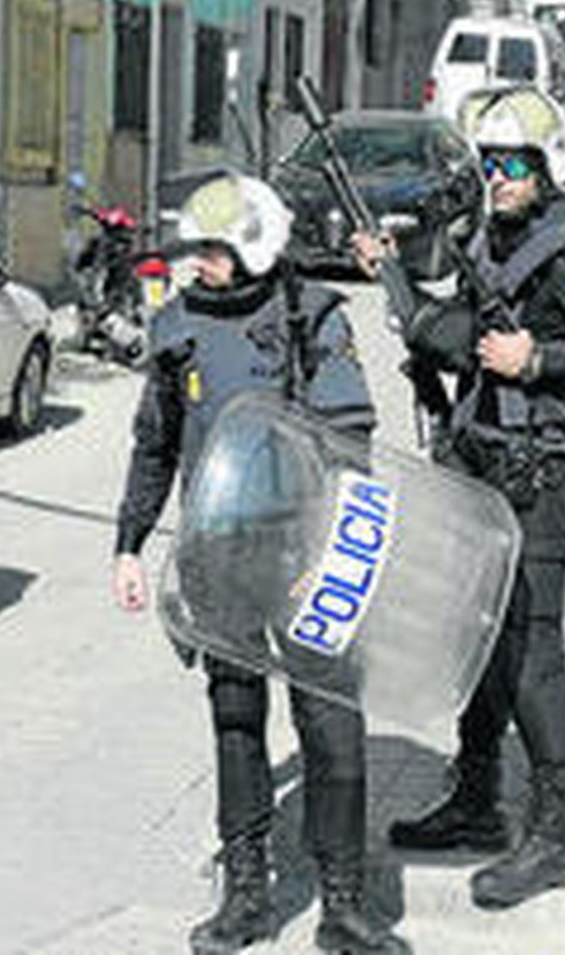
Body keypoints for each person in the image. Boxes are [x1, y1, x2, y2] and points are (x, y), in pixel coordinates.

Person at [355, 85, 565, 910]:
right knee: (480, 638)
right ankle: (477, 801)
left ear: (550, 164)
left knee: (531, 652)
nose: (501, 176)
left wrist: (540, 361)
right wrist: (389, 276)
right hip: (482, 462)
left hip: (538, 475)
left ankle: (554, 838)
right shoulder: (492, 241)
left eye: (517, 163)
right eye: (492, 163)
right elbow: (453, 334)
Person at [113, 172, 409, 955]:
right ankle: (247, 894)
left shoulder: (312, 316)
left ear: (255, 247)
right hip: (220, 552)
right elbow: (154, 444)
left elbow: (351, 445)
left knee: (330, 718)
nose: (198, 263)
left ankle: (345, 905)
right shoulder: (176, 329)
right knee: (236, 719)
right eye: (197, 248)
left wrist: (340, 554)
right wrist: (128, 544)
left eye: (214, 249)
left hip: (308, 547)